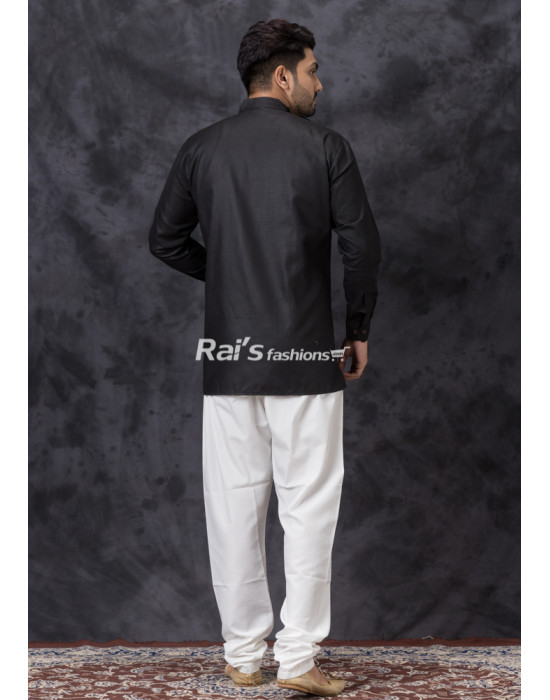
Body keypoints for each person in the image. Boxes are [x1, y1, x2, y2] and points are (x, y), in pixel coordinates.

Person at [148, 18, 381, 697]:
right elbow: (362, 248)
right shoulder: (326, 147)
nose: (319, 83)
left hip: (229, 360)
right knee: (308, 507)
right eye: (312, 70)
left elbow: (164, 240)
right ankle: (299, 659)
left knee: (233, 508)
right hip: (306, 356)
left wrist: (227, 277)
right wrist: (357, 327)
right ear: (282, 76)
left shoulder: (201, 148)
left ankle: (244, 656)